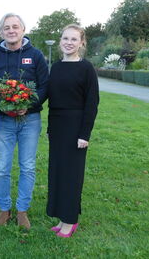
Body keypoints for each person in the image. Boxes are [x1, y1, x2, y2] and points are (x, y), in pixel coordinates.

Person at [0, 13, 49, 230]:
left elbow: (44, 86)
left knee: (28, 166)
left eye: (15, 26)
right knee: (2, 168)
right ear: (1, 32)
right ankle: (4, 210)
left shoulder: (36, 55)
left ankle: (22, 210)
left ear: (23, 29)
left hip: (30, 120)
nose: (11, 30)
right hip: (5, 121)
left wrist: (29, 105)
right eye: (6, 27)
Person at [46, 24, 99, 238]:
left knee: (72, 175)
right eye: (65, 38)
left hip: (76, 127)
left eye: (74, 39)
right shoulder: (56, 67)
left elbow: (92, 104)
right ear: (60, 41)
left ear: (81, 43)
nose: (68, 42)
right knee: (58, 173)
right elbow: (52, 99)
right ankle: (62, 217)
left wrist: (84, 135)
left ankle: (70, 221)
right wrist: (50, 127)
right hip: (57, 127)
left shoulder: (86, 69)